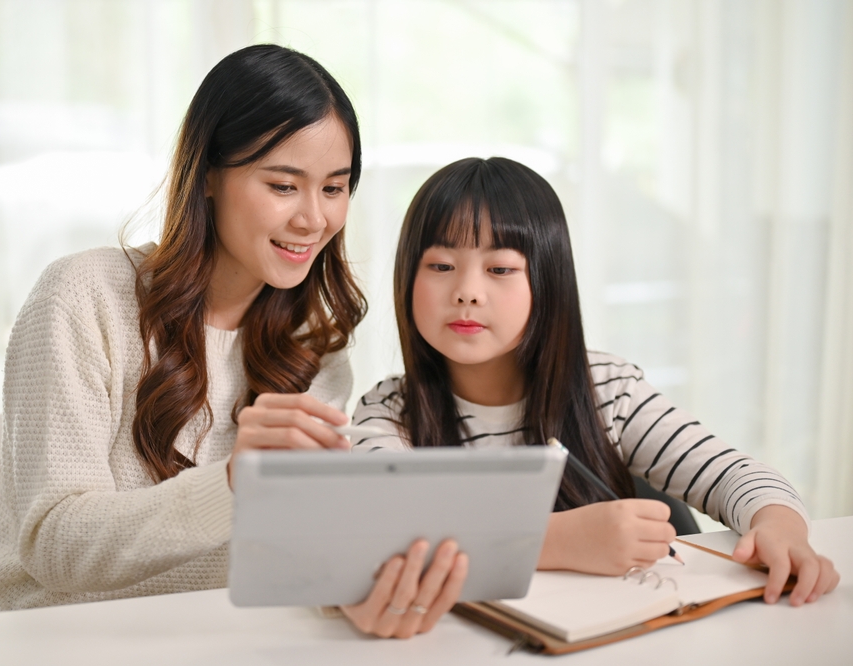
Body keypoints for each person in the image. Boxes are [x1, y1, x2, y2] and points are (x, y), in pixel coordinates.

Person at [0, 44, 375, 615]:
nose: (313, 219)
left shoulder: (311, 351)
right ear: (210, 176)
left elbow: (278, 557)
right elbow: (54, 544)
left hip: (196, 632)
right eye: (283, 185)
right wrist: (231, 485)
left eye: (334, 188)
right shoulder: (83, 297)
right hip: (30, 632)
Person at [345, 156, 840, 638]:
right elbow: (380, 534)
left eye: (500, 269)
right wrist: (558, 541)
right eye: (441, 265)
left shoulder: (607, 389)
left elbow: (736, 475)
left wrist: (781, 527)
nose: (467, 291)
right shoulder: (387, 414)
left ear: (548, 281)